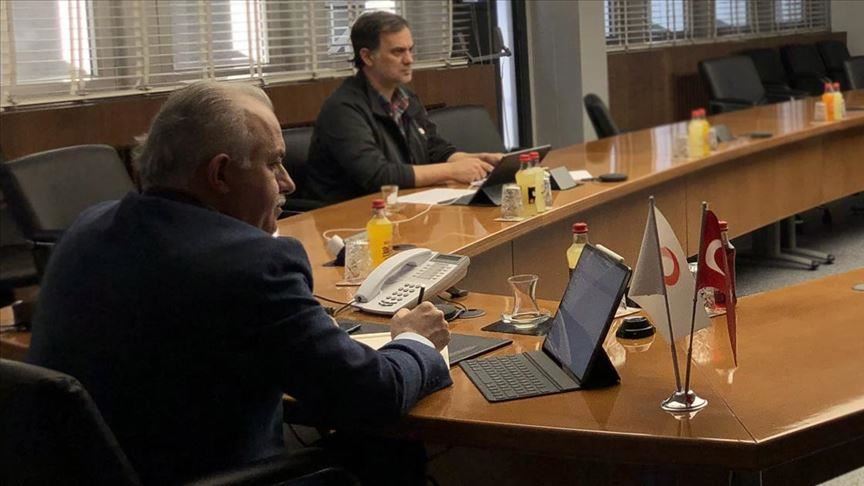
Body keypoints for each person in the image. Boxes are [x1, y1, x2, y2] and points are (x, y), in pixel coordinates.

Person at [27, 82, 452, 485]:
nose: (288, 183)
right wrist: (414, 340)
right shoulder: (252, 265)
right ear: (220, 174)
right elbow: (374, 396)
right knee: (391, 450)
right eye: (273, 164)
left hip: (103, 470)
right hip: (207, 475)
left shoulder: (87, 227)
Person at [303, 11, 503, 204]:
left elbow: (434, 149)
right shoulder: (343, 109)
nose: (409, 60)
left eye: (410, 50)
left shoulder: (406, 97)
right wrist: (452, 171)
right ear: (367, 57)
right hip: (349, 215)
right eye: (398, 52)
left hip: (401, 206)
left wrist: (479, 160)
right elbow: (377, 175)